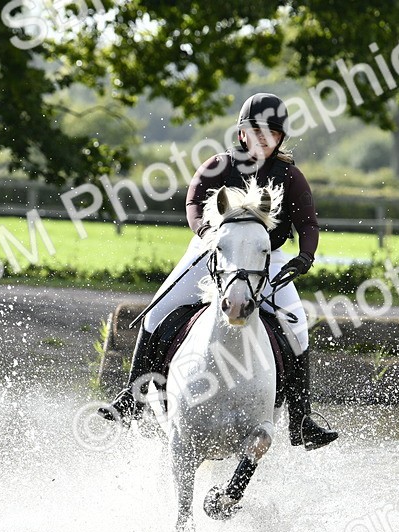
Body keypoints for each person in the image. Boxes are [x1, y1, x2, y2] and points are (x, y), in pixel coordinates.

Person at [101, 92, 338, 450]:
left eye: (270, 134)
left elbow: (308, 223)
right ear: (242, 133)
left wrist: (305, 256)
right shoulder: (219, 164)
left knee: (297, 328)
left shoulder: (289, 176)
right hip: (211, 251)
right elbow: (194, 201)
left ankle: (301, 419)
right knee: (155, 315)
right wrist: (206, 233)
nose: (262, 140)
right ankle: (132, 399)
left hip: (264, 259)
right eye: (255, 132)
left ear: (279, 138)